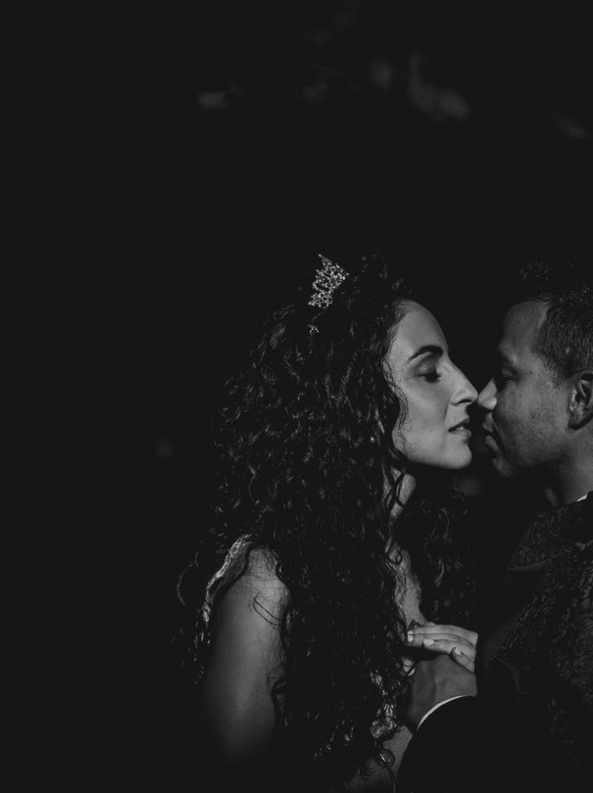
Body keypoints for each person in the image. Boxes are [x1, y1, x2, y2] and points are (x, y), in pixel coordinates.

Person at [397, 259, 593, 792]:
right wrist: (501, 672)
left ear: (581, 399)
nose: (484, 397)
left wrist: (445, 711)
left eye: (506, 376)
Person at [176, 253, 482, 792]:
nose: (469, 390)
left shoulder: (418, 552)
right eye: (430, 372)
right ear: (361, 402)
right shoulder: (272, 577)